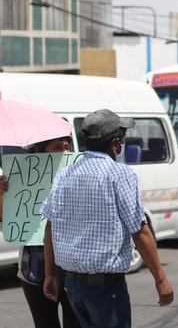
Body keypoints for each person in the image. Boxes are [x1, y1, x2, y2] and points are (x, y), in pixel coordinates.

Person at [41, 109, 174, 328]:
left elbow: (49, 226)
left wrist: (50, 274)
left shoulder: (65, 173)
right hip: (104, 288)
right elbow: (140, 231)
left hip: (72, 285)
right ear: (116, 144)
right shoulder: (120, 174)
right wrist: (161, 279)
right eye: (122, 139)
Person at [0, 137, 81, 328]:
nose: (64, 151)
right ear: (41, 153)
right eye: (57, 147)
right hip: (34, 272)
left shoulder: (78, 176)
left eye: (66, 147)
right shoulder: (22, 179)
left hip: (73, 271)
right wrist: (2, 193)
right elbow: (8, 221)